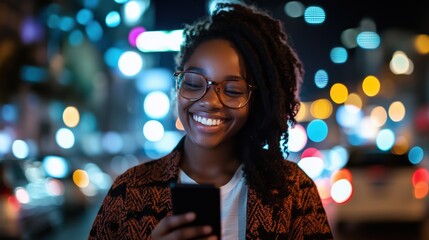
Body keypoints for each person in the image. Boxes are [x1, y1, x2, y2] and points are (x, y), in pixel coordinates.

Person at [89, 2, 333, 239]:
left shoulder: (292, 191)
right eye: (194, 83)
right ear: (178, 87)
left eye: (233, 90)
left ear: (256, 100)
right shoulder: (129, 192)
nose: (210, 101)